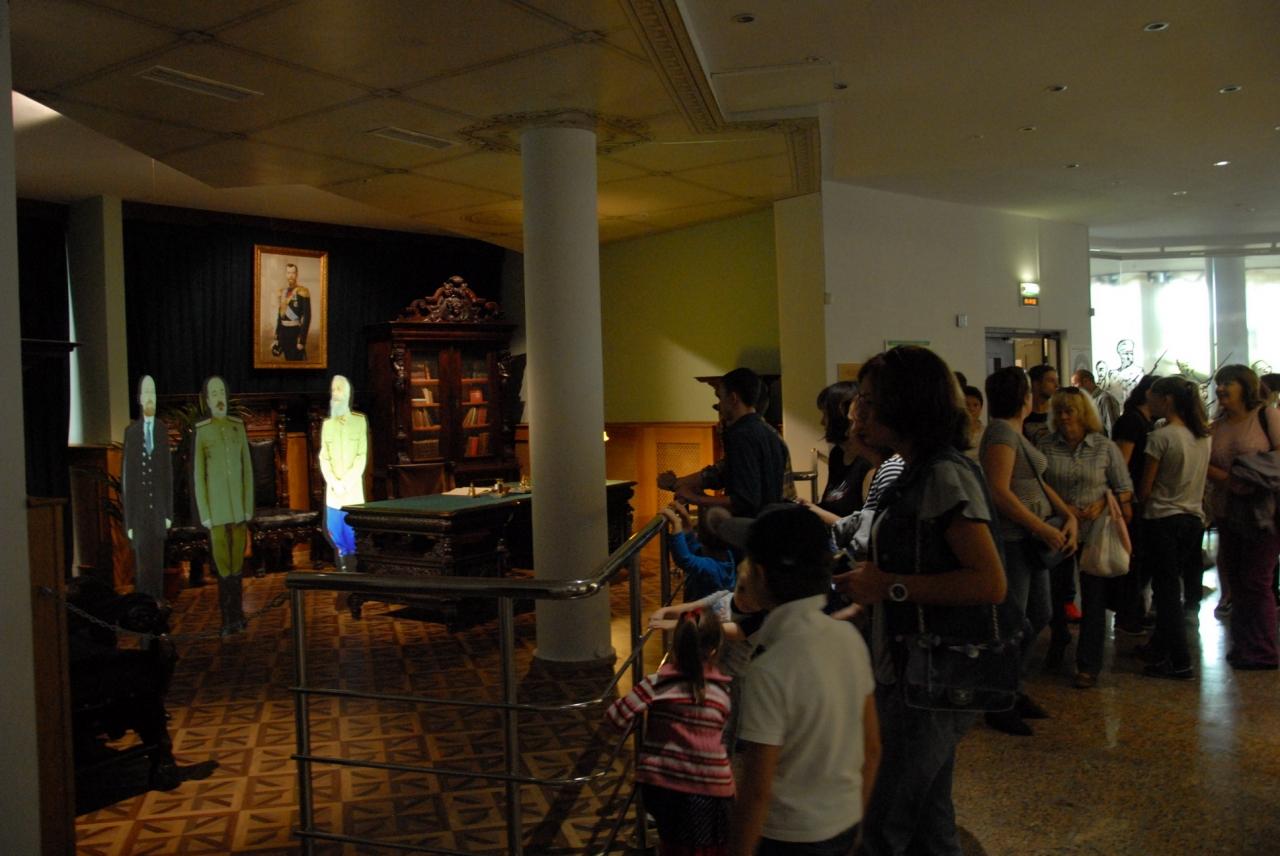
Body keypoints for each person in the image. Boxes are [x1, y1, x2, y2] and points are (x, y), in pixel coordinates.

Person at [835, 346, 1007, 856]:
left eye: (870, 401)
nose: (858, 411)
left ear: (906, 405)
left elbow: (989, 582)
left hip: (934, 674)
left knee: (882, 822)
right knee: (930, 823)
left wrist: (888, 585)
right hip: (915, 670)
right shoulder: (914, 469)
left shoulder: (942, 474)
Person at [718, 504, 878, 856]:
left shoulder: (769, 669)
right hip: (844, 823)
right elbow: (872, 748)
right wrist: (855, 824)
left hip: (787, 837)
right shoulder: (848, 638)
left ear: (760, 576)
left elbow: (757, 791)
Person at [979, 367, 1078, 736]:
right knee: (1015, 621)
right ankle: (1000, 698)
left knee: (1038, 614)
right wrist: (1040, 526)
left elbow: (1035, 481)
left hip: (1027, 539)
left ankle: (1014, 688)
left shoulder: (1012, 431)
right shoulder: (1002, 432)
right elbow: (998, 490)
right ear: (1025, 397)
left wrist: (1066, 514)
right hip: (1014, 539)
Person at [607, 608, 735, 856]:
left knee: (673, 844)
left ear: (675, 645)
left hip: (661, 786)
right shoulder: (722, 693)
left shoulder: (656, 684)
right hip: (712, 790)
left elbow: (615, 719)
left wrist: (640, 722)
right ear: (715, 650)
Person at [1037, 388, 1133, 688]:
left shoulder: (1104, 447)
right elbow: (1038, 485)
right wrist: (1062, 509)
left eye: (1070, 411)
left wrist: (1102, 503)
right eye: (1059, 411)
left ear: (1083, 414)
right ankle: (1058, 639)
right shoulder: (1046, 445)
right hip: (1059, 529)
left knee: (1093, 599)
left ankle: (1088, 665)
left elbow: (1124, 489)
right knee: (1054, 594)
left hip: (1095, 533)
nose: (1064, 417)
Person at [1134, 377, 1211, 680]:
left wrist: (1136, 510)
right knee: (1172, 583)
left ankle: (1180, 661)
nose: (1149, 401)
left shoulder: (1161, 436)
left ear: (1167, 400)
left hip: (1163, 518)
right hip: (1192, 518)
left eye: (1153, 396)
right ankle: (1160, 646)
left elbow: (1147, 487)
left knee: (1166, 593)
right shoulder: (1201, 435)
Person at [1207, 364, 1280, 669]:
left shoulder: (1267, 416)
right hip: (1228, 511)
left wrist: (1249, 473)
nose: (1221, 388)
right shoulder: (1217, 426)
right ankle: (1243, 645)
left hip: (1264, 512)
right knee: (1237, 581)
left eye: (1229, 383)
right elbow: (1206, 465)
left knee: (1257, 581)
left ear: (1245, 387)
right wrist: (1229, 479)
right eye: (1219, 383)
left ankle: (1263, 650)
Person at [658, 367, 789, 518]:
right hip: (772, 524)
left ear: (733, 398)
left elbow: (745, 502)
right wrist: (700, 494)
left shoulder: (742, 435)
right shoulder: (772, 434)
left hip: (751, 527)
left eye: (720, 397)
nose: (719, 405)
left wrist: (695, 498)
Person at [193, 376, 255, 635]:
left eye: (222, 393)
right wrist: (205, 513)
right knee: (223, 567)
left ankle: (238, 615)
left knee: (237, 566)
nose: (219, 399)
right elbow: (198, 476)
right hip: (216, 513)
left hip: (238, 510)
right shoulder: (203, 431)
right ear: (208, 401)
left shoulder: (237, 427)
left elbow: (247, 471)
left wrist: (248, 506)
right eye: (214, 394)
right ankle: (227, 619)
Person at [1110, 374, 1160, 635]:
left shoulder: (1147, 422)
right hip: (1131, 499)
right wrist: (1126, 498)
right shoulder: (1132, 421)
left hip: (1140, 497)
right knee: (1132, 559)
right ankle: (1126, 615)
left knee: (1140, 559)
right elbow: (1121, 463)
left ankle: (1134, 611)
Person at [122, 375, 174, 601]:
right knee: (143, 567)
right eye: (146, 393)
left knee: (157, 563)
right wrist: (130, 523)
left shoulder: (162, 430)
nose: (150, 397)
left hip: (159, 513)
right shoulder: (132, 433)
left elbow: (167, 476)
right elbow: (128, 480)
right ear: (140, 398)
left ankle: (158, 603)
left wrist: (168, 514)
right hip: (140, 516)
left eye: (153, 392)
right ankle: (144, 606)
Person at [318, 375, 368, 572]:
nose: (336, 394)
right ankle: (344, 572)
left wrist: (345, 484)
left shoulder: (359, 421)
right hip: (333, 494)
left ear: (348, 394)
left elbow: (361, 457)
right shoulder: (327, 425)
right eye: (333, 390)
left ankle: (356, 574)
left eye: (339, 389)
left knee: (352, 535)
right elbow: (324, 458)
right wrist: (334, 483)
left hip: (352, 493)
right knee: (336, 534)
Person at [658, 502, 736, 602]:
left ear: (699, 536)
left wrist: (676, 523)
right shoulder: (727, 555)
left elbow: (684, 559)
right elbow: (692, 545)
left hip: (708, 611)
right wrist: (685, 516)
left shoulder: (710, 567)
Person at [816, 382, 873, 518]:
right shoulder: (837, 453)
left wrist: (815, 511)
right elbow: (829, 505)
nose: (822, 422)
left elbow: (865, 525)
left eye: (826, 414)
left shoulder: (869, 460)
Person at [273, 262, 311, 361]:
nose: (291, 275)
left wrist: (302, 340)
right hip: (284, 333)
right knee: (288, 360)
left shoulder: (303, 291)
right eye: (289, 273)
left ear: (297, 274)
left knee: (297, 362)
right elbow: (280, 316)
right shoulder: (283, 292)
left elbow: (307, 317)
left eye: (293, 273)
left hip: (295, 332)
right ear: (286, 274)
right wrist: (277, 336)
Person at [1072, 368, 1121, 437]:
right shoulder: (1086, 401)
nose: (1074, 388)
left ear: (1086, 381)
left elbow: (1113, 428)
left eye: (1075, 384)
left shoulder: (1106, 399)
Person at [1022, 364, 1059, 447]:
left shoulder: (1058, 413)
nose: (1057, 385)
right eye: (1051, 381)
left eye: (1057, 380)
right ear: (1036, 384)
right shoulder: (1023, 415)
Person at [963, 385, 985, 460]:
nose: (971, 409)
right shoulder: (954, 434)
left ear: (981, 408)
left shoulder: (986, 433)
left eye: (975, 405)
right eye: (967, 405)